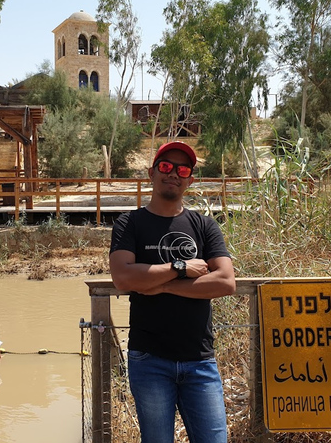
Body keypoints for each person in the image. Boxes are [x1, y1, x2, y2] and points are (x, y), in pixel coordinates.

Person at [109, 141, 236, 443]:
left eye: (182, 169)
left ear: (190, 180)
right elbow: (123, 277)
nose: (173, 174)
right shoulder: (130, 223)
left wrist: (161, 284)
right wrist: (180, 267)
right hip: (149, 360)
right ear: (152, 173)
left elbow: (225, 282)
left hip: (200, 360)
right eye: (166, 167)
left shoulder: (205, 226)